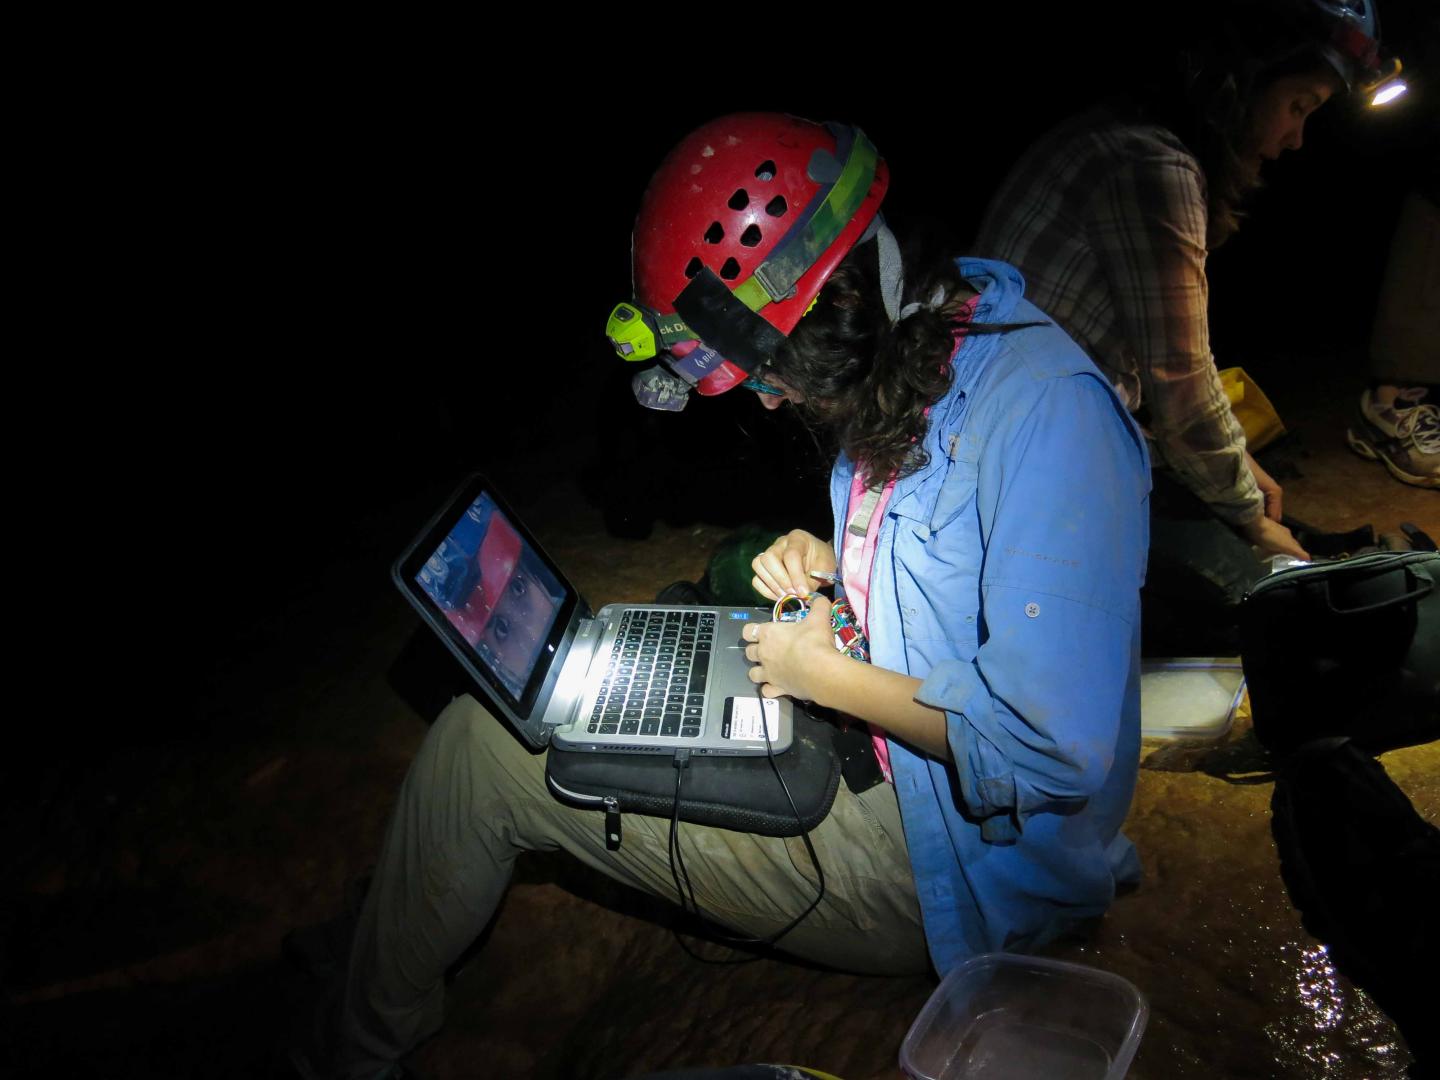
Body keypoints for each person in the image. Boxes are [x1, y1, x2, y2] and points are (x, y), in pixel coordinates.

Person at [302, 113, 1150, 1080]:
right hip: (882, 771)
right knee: (664, 648)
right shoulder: (936, 357)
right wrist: (838, 566)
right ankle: (389, 928)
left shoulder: (1047, 415)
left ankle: (349, 1053)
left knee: (481, 751)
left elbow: (1047, 752)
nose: (774, 401)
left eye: (772, 374)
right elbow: (961, 562)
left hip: (948, 872)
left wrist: (824, 677)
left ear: (827, 304)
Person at [974, 0, 1409, 653]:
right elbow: (1179, 380)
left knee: (1254, 519)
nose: (1296, 139)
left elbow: (1148, 383)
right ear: (1241, 83)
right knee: (1269, 607)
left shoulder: (1121, 132)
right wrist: (1243, 513)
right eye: (1298, 106)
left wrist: (1235, 478)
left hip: (1048, 447)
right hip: (1018, 489)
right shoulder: (1150, 167)